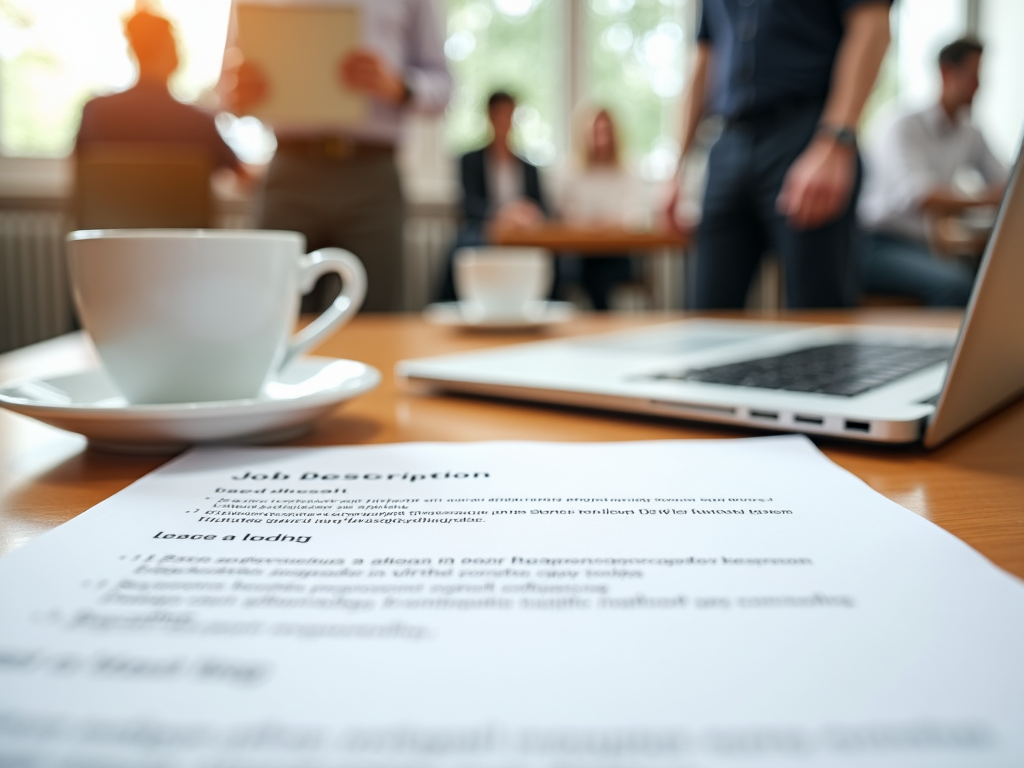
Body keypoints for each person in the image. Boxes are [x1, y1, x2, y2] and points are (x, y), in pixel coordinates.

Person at [221, 0, 451, 313]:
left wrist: (398, 85)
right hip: (291, 169)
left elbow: (443, 87)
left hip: (372, 174)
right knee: (273, 311)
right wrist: (241, 92)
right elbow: (226, 89)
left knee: (375, 315)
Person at [667, 0, 891, 309]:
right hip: (729, 139)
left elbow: (872, 25)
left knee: (818, 313)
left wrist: (835, 141)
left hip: (808, 134)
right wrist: (676, 167)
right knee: (707, 314)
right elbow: (706, 57)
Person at [858, 37, 1008, 307]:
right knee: (956, 286)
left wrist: (1004, 193)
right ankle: (940, 350)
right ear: (946, 72)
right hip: (873, 245)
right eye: (973, 76)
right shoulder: (902, 124)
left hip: (921, 247)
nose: (978, 86)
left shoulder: (969, 132)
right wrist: (991, 198)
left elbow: (1006, 181)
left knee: (993, 281)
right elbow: (919, 195)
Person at [76, 9, 241, 176]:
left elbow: (79, 173)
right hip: (177, 203)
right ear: (168, 48)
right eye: (176, 43)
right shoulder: (199, 123)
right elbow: (242, 176)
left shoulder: (95, 113)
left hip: (109, 203)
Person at [439, 91, 548, 302]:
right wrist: (501, 215)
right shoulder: (470, 161)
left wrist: (526, 215)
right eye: (498, 115)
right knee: (464, 249)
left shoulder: (528, 167)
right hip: (483, 228)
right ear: (489, 117)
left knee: (558, 259)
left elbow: (541, 206)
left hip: (523, 232)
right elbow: (468, 204)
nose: (503, 121)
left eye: (508, 115)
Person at [559, 106, 643, 311]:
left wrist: (607, 224)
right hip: (580, 254)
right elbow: (565, 214)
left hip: (616, 254)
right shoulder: (571, 173)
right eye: (596, 132)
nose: (602, 138)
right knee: (568, 271)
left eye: (606, 131)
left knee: (600, 273)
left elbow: (634, 215)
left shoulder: (627, 172)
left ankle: (599, 322)